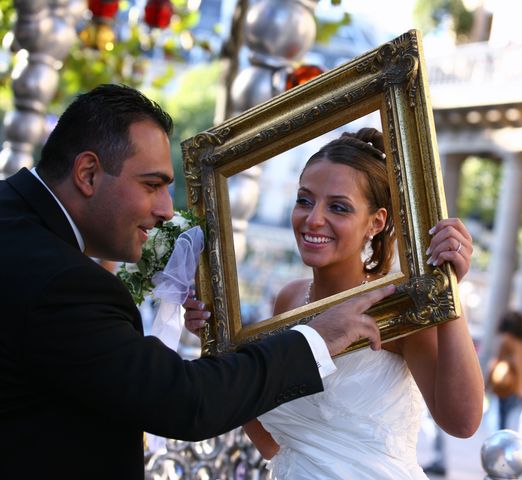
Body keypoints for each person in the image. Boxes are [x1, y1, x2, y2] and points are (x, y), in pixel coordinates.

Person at [0, 84, 395, 480]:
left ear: (376, 222)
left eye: (339, 206)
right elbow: (184, 402)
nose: (167, 210)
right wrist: (315, 338)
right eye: (152, 185)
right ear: (87, 173)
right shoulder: (64, 281)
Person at [186, 128, 484, 479]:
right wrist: (217, 344)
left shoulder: (395, 307)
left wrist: (446, 292)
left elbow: (462, 422)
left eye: (338, 207)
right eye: (304, 200)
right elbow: (274, 444)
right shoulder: (289, 299)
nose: (313, 218)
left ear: (376, 222)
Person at [487, 310, 522, 430]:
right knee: (513, 422)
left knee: (501, 421)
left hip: (506, 385)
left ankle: (501, 444)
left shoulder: (505, 340)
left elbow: (496, 362)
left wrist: (487, 383)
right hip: (521, 388)